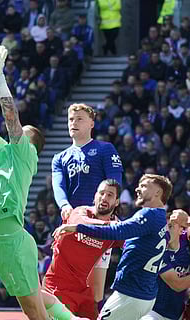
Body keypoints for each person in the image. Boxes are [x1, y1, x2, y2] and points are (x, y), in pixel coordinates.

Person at [0, 45, 85, 320]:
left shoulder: (24, 153)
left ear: (31, 142)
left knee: (33, 311)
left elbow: (10, 118)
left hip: (9, 236)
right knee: (35, 296)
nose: (18, 131)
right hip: (1, 237)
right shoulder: (3, 152)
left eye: (23, 131)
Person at [53, 174, 173, 320]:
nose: (137, 189)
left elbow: (118, 231)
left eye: (144, 185)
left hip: (131, 294)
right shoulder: (161, 219)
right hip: (145, 295)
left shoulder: (149, 215)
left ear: (157, 192)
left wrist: (78, 228)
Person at [52, 102, 123, 309]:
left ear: (91, 123)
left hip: (99, 228)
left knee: (95, 293)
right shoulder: (60, 158)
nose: (73, 122)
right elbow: (58, 186)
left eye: (79, 119)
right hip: (72, 229)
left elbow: (114, 183)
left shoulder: (105, 149)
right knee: (63, 287)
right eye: (71, 119)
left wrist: (111, 214)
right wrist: (64, 205)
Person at [44, 179, 124, 320]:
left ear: (116, 202)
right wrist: (113, 226)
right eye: (101, 193)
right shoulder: (80, 212)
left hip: (82, 291)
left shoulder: (115, 231)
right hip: (57, 287)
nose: (104, 197)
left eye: (110, 195)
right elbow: (82, 223)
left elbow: (133, 244)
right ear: (95, 196)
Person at [141, 209, 190, 320]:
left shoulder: (186, 242)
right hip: (154, 312)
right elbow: (177, 285)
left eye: (171, 226)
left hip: (179, 314)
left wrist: (187, 220)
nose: (166, 231)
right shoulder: (158, 252)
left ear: (181, 229)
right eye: (164, 229)